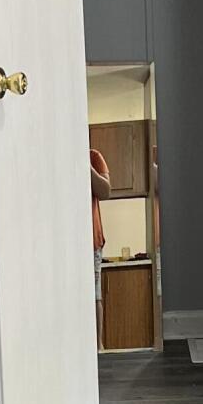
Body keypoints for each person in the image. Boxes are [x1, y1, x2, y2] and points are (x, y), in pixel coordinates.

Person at [90, 145, 110, 346]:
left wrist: (87, 167)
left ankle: (98, 346)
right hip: (68, 245)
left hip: (92, 242)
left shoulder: (94, 156)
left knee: (94, 295)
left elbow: (105, 191)